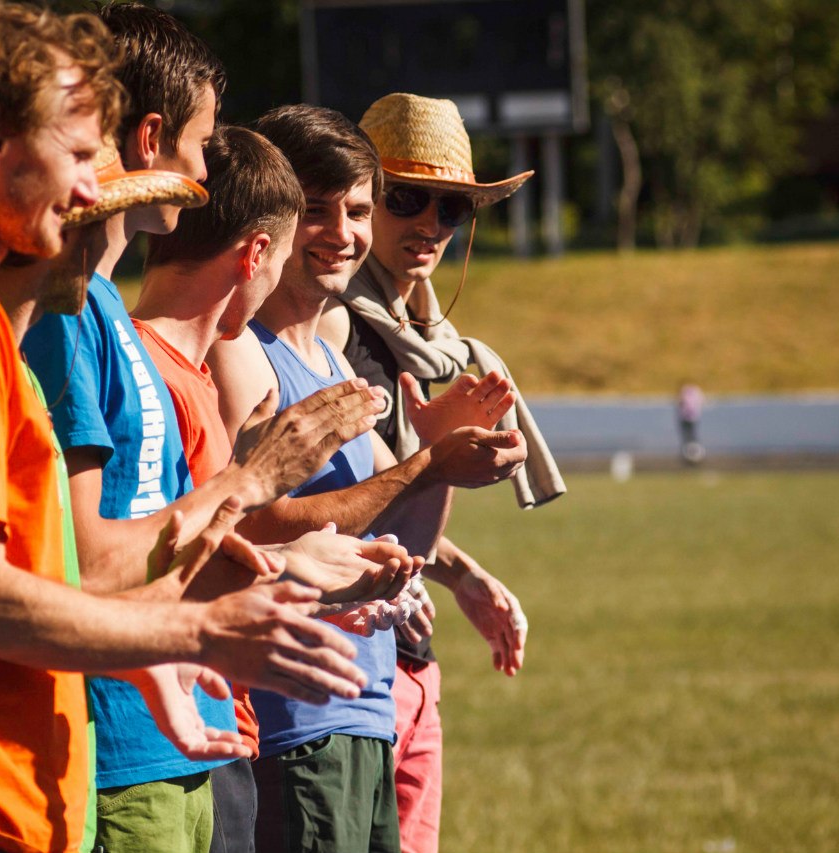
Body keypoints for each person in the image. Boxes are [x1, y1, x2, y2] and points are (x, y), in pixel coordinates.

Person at [0, 5, 368, 853]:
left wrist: (136, 653)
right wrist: (198, 630)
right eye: (81, 153)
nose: (97, 187)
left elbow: (22, 566)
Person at [20, 7, 410, 852]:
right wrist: (256, 489)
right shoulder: (63, 313)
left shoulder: (105, 314)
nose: (205, 167)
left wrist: (286, 565)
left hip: (179, 735)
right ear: (153, 137)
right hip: (120, 755)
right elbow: (84, 559)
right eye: (202, 140)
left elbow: (163, 543)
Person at [209, 104, 527, 853]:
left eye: (355, 210)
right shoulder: (240, 350)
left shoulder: (333, 357)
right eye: (316, 211)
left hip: (365, 710)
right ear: (272, 216)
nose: (344, 233)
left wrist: (444, 456)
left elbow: (402, 537)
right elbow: (247, 525)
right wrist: (426, 461)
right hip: (294, 718)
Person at [316, 92, 568, 853]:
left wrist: (461, 575)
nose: (429, 224)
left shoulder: (427, 337)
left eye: (451, 208)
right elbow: (333, 505)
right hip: (351, 667)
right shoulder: (333, 325)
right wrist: (436, 454)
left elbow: (392, 487)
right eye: (406, 199)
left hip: (409, 662)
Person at [677, 382, 706, 464]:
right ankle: (690, 456)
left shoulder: (688, 391)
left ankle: (694, 456)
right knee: (689, 438)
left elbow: (682, 402)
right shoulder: (691, 391)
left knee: (691, 438)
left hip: (690, 418)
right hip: (689, 418)